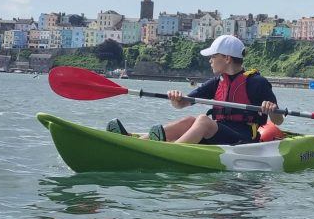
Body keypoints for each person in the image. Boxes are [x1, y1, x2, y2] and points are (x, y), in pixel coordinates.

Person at [108, 35, 284, 144]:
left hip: (244, 137)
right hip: (220, 132)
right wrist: (176, 98)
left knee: (202, 120)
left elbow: (278, 121)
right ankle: (135, 142)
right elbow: (182, 104)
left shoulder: (257, 82)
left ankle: (172, 152)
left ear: (227, 58)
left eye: (213, 56)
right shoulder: (217, 82)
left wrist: (271, 109)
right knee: (189, 120)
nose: (210, 61)